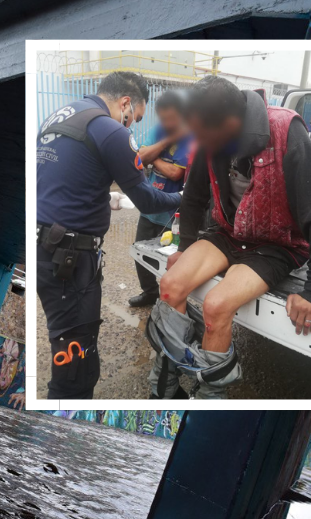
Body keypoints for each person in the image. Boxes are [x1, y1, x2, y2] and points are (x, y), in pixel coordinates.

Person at [144, 76, 311, 400]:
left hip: (276, 244)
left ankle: (209, 398)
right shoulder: (209, 137)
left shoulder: (286, 132)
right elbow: (193, 196)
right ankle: (164, 387)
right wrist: (185, 246)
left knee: (216, 306)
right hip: (227, 232)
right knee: (171, 284)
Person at [36, 71, 183, 399]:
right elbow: (147, 199)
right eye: (135, 118)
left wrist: (102, 197)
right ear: (126, 103)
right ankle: (60, 434)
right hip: (69, 260)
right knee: (76, 365)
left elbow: (57, 180)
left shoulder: (60, 117)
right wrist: (185, 199)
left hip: (46, 248)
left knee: (71, 347)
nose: (131, 126)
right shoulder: (110, 129)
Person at [129, 90, 194, 308]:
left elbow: (177, 173)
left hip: (173, 213)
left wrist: (152, 156)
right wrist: (166, 141)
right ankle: (149, 293)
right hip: (150, 207)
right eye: (163, 118)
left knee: (171, 258)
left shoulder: (190, 137)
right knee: (140, 252)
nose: (167, 123)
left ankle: (170, 299)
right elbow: (138, 158)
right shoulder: (161, 131)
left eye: (172, 119)